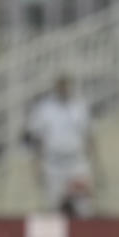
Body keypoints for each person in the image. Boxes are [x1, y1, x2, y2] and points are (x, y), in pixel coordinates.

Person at [25, 74, 95, 217]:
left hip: (76, 162)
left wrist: (90, 160)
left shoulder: (79, 107)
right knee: (54, 205)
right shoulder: (45, 108)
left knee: (83, 205)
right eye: (61, 86)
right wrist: (37, 163)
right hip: (53, 163)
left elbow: (88, 135)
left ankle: (84, 236)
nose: (64, 89)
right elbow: (36, 137)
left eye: (66, 86)